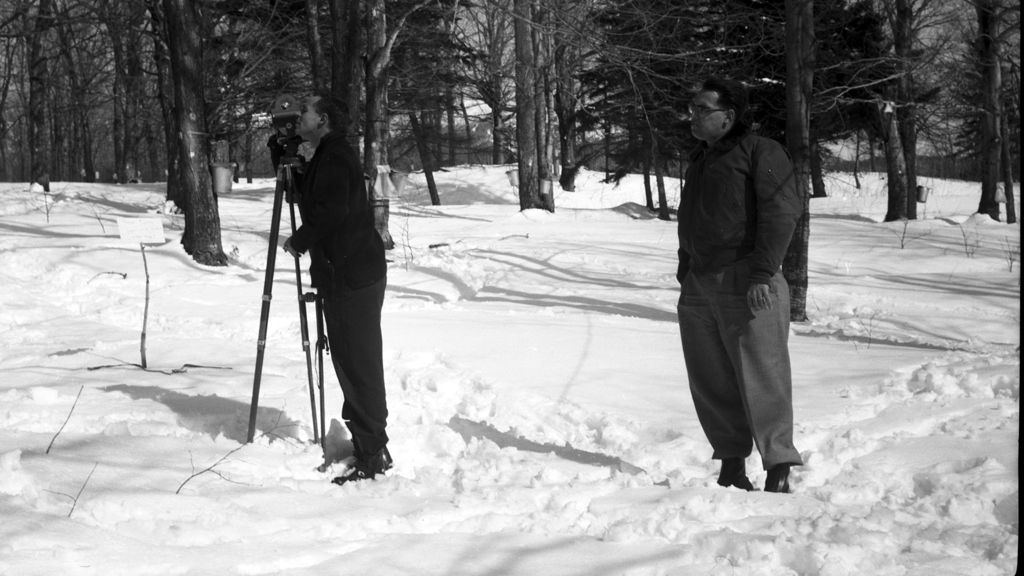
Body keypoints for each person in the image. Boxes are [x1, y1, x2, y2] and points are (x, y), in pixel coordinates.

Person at [676, 77, 803, 493]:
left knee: (762, 373)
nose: (692, 116)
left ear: (728, 116)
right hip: (700, 283)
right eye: (692, 108)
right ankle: (731, 463)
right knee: (709, 376)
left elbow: (781, 211)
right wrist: (685, 269)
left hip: (749, 279)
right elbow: (691, 219)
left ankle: (779, 466)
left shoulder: (762, 151)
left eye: (701, 109)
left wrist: (763, 272)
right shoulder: (702, 159)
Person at [272, 92, 392, 485]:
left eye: (304, 111)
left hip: (353, 276)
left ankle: (373, 452)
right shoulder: (326, 154)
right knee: (351, 360)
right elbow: (314, 197)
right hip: (345, 274)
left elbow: (332, 211)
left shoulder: (337, 156)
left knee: (359, 363)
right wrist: (288, 165)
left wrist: (299, 240)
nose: (297, 116)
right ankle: (368, 443)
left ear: (322, 119)